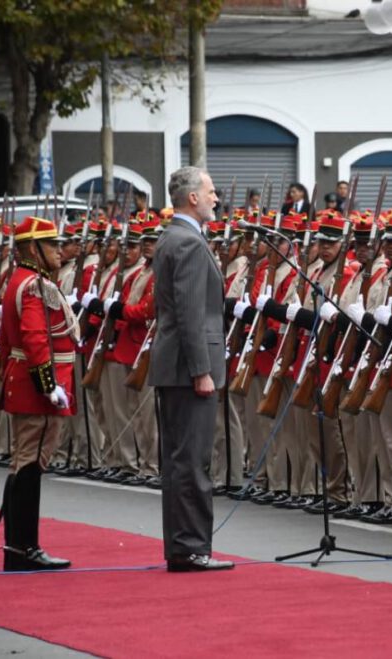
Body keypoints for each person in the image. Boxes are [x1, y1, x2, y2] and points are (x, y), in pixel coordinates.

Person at [150, 166, 234, 572]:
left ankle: (184, 547)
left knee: (181, 460)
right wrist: (202, 370)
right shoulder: (189, 243)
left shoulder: (176, 238)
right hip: (188, 370)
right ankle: (191, 547)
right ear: (193, 198)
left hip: (178, 366)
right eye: (212, 191)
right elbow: (189, 314)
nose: (217, 198)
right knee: (192, 461)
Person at [0, 215, 74, 571]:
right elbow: (34, 338)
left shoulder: (21, 280)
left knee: (23, 462)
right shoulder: (35, 285)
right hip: (35, 387)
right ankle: (24, 547)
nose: (59, 250)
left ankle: (18, 546)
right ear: (32, 248)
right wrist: (49, 386)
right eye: (51, 244)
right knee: (30, 464)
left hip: (23, 382)